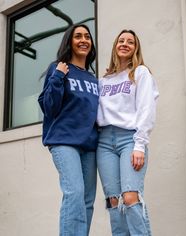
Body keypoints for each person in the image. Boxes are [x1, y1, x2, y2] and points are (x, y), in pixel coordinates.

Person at [96, 29, 159, 236]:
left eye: (130, 42)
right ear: (115, 46)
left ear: (135, 48)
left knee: (130, 197)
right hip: (104, 142)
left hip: (129, 139)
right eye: (121, 40)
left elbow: (146, 109)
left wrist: (140, 144)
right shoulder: (103, 81)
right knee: (114, 201)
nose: (124, 44)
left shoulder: (140, 73)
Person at [38, 24, 98, 236]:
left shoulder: (93, 79)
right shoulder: (59, 68)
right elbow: (49, 108)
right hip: (64, 141)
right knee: (74, 193)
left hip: (90, 145)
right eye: (78, 36)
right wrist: (57, 77)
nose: (83, 40)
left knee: (88, 200)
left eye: (87, 37)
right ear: (69, 42)